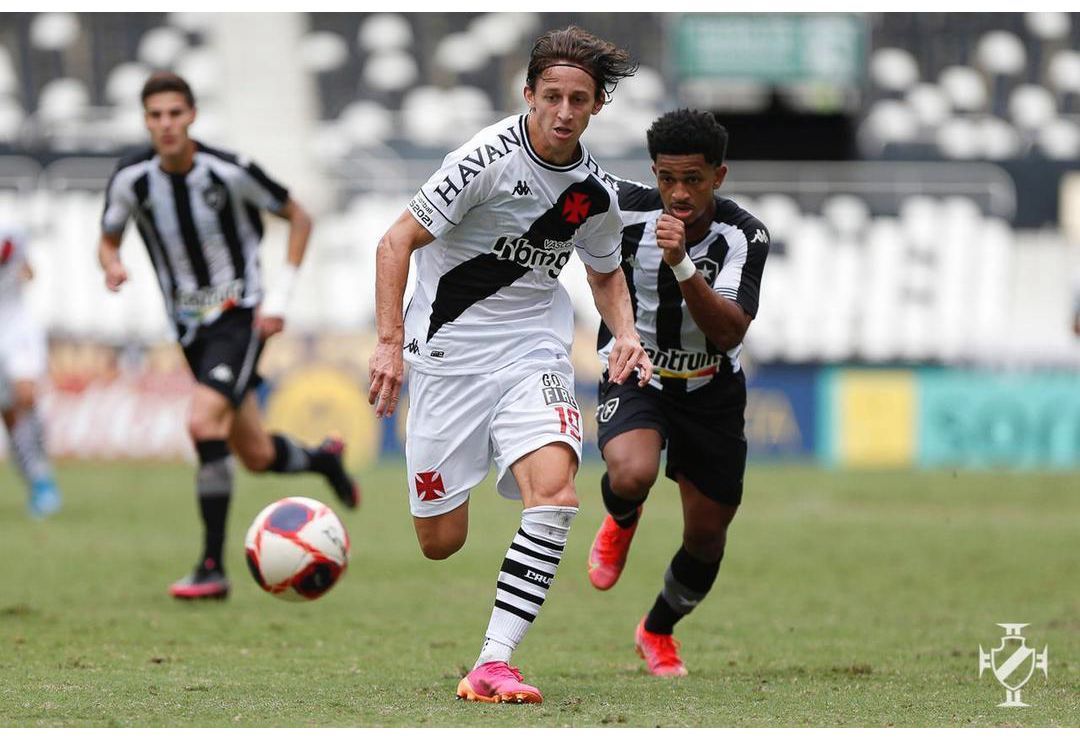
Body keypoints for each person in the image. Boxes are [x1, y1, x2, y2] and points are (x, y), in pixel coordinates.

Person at [368, 26, 651, 704]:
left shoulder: (590, 195)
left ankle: (494, 662)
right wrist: (386, 341)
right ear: (528, 94)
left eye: (577, 99)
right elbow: (395, 241)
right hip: (446, 359)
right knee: (440, 541)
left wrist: (626, 334)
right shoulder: (484, 161)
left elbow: (604, 270)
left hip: (533, 350)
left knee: (555, 492)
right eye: (550, 95)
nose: (562, 111)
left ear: (596, 107)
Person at [98, 72, 359, 601]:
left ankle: (212, 567)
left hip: (241, 318)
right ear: (146, 121)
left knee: (201, 421)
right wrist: (112, 265)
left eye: (175, 113)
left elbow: (299, 216)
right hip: (189, 330)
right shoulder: (131, 180)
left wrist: (280, 299)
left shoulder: (228, 171)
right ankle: (323, 458)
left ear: (191, 115)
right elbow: (107, 239)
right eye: (156, 116)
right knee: (256, 454)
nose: (166, 124)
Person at [586, 109, 769, 677]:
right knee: (630, 473)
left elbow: (729, 330)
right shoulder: (626, 206)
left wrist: (681, 261)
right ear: (654, 173)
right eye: (667, 179)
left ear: (720, 175)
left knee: (707, 538)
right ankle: (622, 513)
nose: (679, 193)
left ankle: (657, 630)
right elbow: (566, 182)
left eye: (693, 179)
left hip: (712, 390)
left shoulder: (744, 234)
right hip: (638, 369)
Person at [0, 225, 62, 518]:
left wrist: (22, 273)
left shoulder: (12, 235)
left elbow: (30, 272)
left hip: (17, 327)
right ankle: (36, 480)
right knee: (9, 413)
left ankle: (43, 477)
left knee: (25, 397)